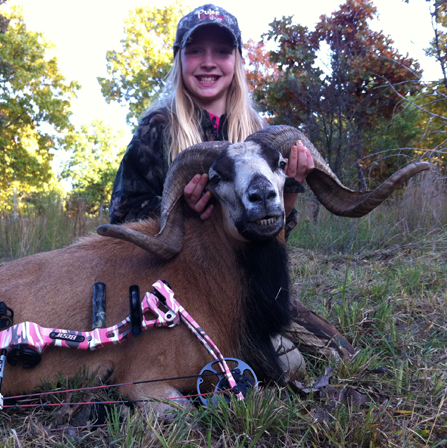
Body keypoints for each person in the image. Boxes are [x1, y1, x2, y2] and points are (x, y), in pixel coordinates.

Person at [109, 4, 355, 376]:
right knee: (282, 364)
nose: (209, 62)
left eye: (222, 51)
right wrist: (183, 209)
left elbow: (278, 234)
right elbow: (123, 219)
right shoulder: (157, 129)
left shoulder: (261, 131)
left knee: (339, 351)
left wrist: (291, 188)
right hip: (178, 282)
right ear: (179, 60)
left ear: (238, 60)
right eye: (195, 51)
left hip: (248, 276)